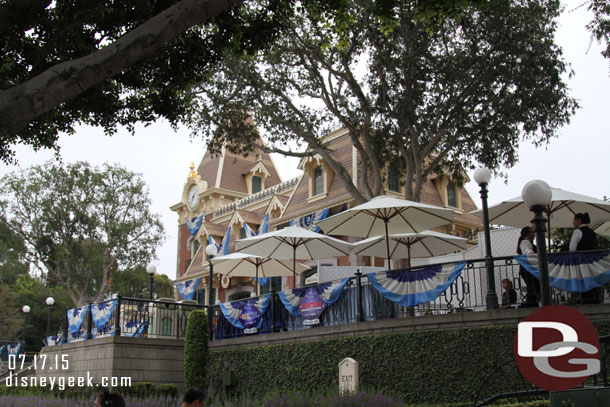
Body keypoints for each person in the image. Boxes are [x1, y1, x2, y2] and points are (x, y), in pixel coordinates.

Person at [570, 213, 603, 304]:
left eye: (574, 220)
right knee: (592, 279)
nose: (573, 222)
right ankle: (595, 299)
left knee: (583, 279)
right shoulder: (592, 232)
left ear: (579, 220)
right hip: (592, 261)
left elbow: (572, 248)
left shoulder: (578, 231)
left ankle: (586, 299)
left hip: (581, 260)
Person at [517, 226, 540, 307]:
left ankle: (532, 302)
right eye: (532, 232)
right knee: (532, 285)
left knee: (532, 286)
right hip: (528, 268)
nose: (533, 234)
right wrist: (531, 252)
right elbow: (526, 249)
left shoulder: (526, 241)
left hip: (527, 268)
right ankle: (531, 302)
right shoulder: (525, 241)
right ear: (528, 234)